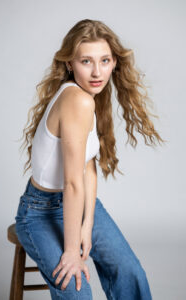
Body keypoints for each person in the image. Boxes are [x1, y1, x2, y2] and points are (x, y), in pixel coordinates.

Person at [15, 19, 165, 299]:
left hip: (80, 204)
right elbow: (72, 182)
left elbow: (88, 167)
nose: (98, 72)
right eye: (86, 61)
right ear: (70, 63)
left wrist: (87, 226)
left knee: (130, 272)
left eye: (105, 60)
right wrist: (73, 250)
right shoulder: (77, 100)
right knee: (77, 291)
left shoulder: (89, 96)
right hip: (40, 211)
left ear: (114, 62)